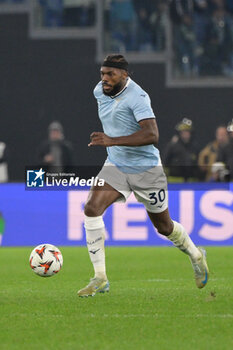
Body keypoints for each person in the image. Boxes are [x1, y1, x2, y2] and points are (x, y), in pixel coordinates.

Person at [77, 54, 209, 297]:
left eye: (110, 75)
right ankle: (100, 277)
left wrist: (112, 140)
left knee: (164, 226)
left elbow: (152, 135)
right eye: (102, 74)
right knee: (91, 208)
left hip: (146, 169)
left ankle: (196, 255)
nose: (104, 79)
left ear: (124, 75)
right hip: (116, 164)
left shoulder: (138, 97)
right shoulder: (100, 91)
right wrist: (113, 145)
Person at [163, 118, 199, 182]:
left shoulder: (194, 147)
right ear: (180, 133)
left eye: (187, 131)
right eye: (183, 131)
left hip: (190, 182)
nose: (185, 133)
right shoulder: (173, 146)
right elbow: (165, 162)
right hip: (174, 181)